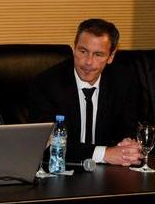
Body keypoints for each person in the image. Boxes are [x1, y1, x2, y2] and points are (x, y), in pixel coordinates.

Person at [29, 18, 142, 166]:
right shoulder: (47, 84)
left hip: (109, 171)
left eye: (98, 54)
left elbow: (128, 130)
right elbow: (46, 143)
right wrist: (104, 154)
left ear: (111, 57)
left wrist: (127, 145)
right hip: (63, 169)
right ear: (74, 49)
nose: (88, 62)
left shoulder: (124, 81)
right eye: (83, 51)